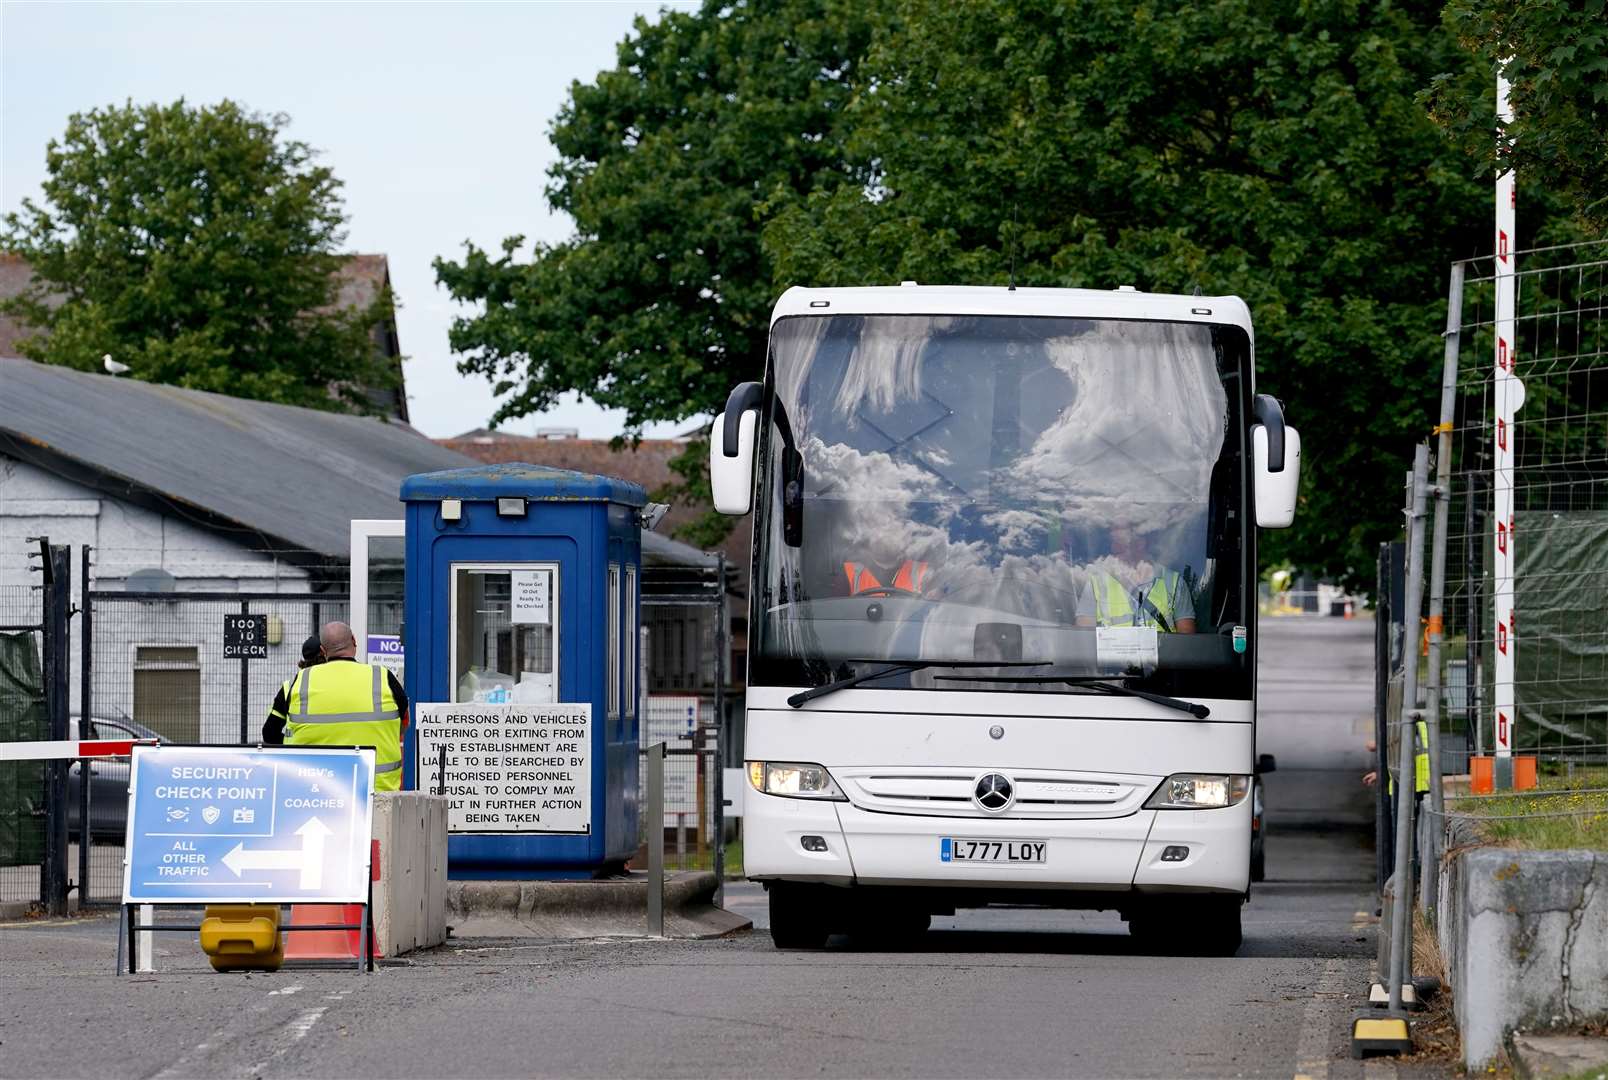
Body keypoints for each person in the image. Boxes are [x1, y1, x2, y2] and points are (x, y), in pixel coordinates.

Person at [281, 621, 407, 792]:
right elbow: (404, 721)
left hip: (317, 790)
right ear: (354, 641)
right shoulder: (382, 676)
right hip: (376, 791)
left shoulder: (302, 680)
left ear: (324, 651)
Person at [1075, 523, 1197, 633]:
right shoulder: (1096, 583)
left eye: (1119, 541)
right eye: (1113, 541)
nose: (1113, 547)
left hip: (1163, 657)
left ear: (1140, 543)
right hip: (1110, 658)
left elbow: (1186, 641)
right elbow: (1083, 639)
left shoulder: (1174, 583)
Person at [263, 635, 325, 745]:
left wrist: (291, 743)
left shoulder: (290, 687)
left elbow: (269, 733)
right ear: (324, 653)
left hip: (298, 757)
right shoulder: (333, 685)